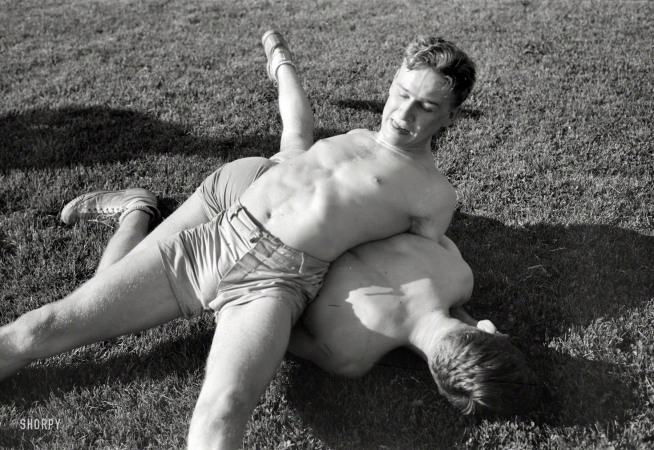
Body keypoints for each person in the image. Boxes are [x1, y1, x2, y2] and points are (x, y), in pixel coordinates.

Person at [0, 32, 523, 449]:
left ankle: (136, 213)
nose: (404, 115)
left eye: (427, 107)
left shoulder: (434, 195)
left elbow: (404, 266)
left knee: (225, 407)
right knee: (39, 329)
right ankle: (135, 213)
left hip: (277, 285)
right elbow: (296, 136)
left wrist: (457, 340)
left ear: (451, 116)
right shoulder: (359, 138)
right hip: (215, 237)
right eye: (401, 94)